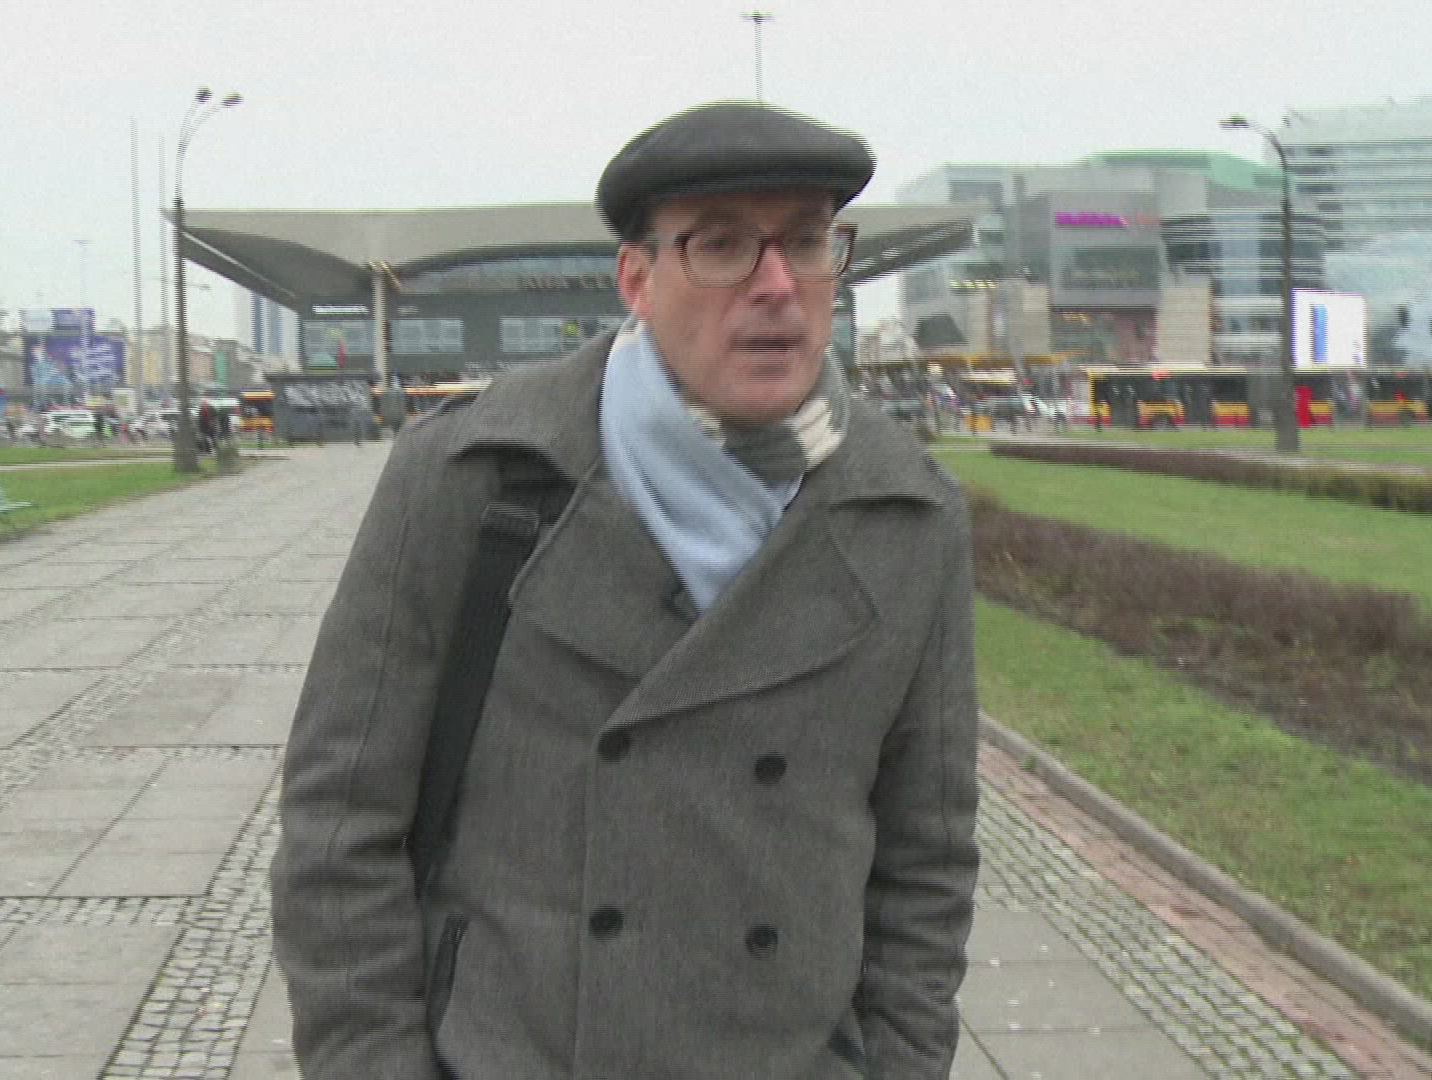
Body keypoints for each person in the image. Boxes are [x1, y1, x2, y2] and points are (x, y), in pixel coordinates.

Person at [272, 102, 980, 1080]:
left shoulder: (908, 516)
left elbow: (926, 863)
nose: (777, 285)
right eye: (722, 246)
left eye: (806, 242)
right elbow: (338, 828)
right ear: (636, 280)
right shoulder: (479, 479)